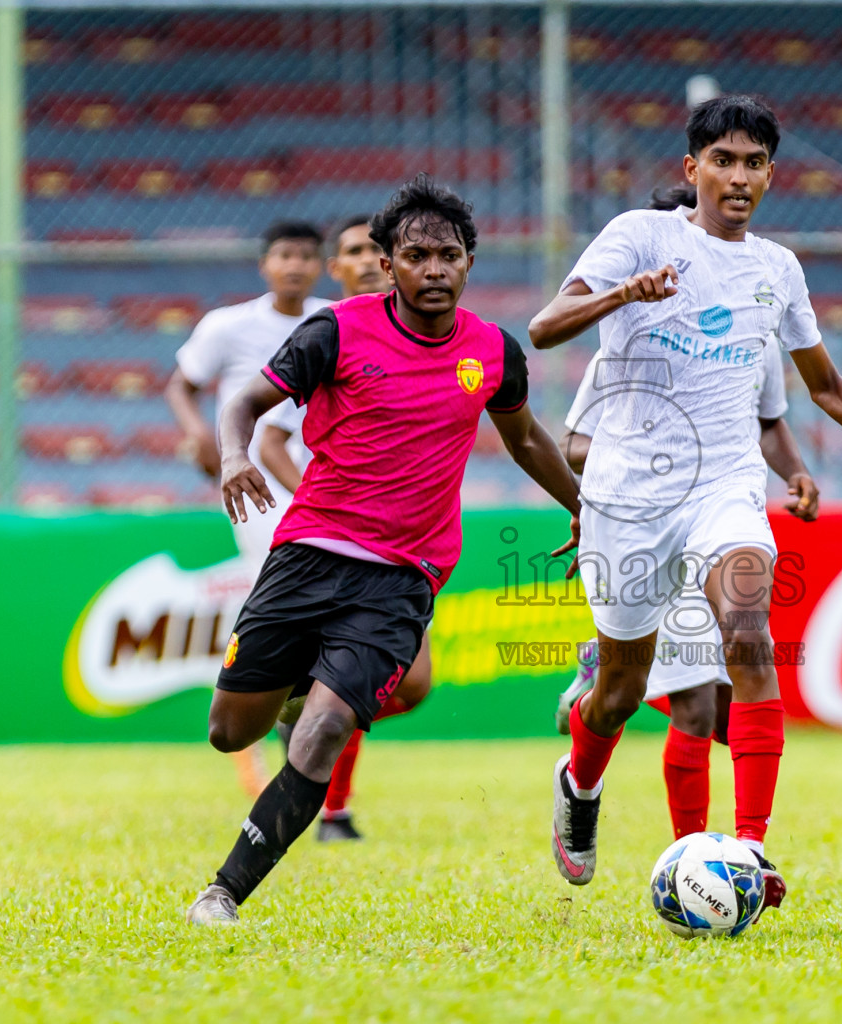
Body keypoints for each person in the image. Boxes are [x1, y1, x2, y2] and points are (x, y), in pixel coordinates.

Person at [528, 94, 842, 921]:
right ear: (691, 170)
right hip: (629, 493)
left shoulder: (777, 270)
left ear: (770, 175)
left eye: (753, 163)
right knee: (617, 694)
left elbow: (822, 384)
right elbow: (545, 329)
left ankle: (749, 851)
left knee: (749, 631)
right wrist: (624, 296)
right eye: (721, 160)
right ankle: (580, 782)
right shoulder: (639, 237)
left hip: (726, 484)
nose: (738, 176)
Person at [184, 175, 581, 925]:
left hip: (405, 572)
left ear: (469, 264)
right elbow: (243, 404)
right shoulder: (335, 332)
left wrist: (584, 507)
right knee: (227, 730)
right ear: (390, 263)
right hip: (308, 552)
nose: (435, 269)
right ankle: (295, 693)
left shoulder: (494, 351)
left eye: (450, 255)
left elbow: (525, 439)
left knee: (329, 727)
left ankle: (223, 893)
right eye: (417, 254)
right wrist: (234, 455)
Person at [553, 183, 820, 841]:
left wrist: (797, 473)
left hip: (720, 512)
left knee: (729, 674)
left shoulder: (750, 326)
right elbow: (577, 442)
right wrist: (603, 495)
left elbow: (768, 422)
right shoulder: (628, 337)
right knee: (680, 703)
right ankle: (585, 772)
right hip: (641, 518)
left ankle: (726, 857)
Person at [258, 213, 435, 843]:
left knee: (411, 686)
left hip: (410, 538)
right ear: (336, 269)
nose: (366, 260)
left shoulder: (434, 332)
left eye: (376, 249)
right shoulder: (327, 334)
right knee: (346, 681)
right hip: (327, 540)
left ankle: (304, 726)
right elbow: (269, 433)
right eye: (353, 251)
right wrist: (312, 502)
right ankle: (331, 809)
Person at [164, 220, 331, 799]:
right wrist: (201, 436)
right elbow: (181, 384)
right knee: (284, 580)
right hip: (255, 481)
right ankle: (270, 714)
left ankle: (288, 709)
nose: (295, 265)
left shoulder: (330, 321)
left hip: (325, 478)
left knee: (300, 594)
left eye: (307, 256)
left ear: (320, 265)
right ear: (265, 263)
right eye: (284, 254)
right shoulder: (229, 325)